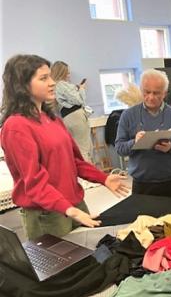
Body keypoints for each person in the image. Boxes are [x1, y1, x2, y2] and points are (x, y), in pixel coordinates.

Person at [0, 55, 129, 240]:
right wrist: (70, 210)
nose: (52, 83)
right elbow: (34, 183)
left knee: (88, 258)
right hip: (47, 213)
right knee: (63, 266)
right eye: (43, 78)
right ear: (22, 84)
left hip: (73, 204)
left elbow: (75, 161)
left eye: (51, 76)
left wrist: (103, 178)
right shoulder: (16, 126)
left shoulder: (52, 119)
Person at [115, 69, 171, 197]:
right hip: (141, 183)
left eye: (156, 93)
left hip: (169, 182)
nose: (150, 97)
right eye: (146, 92)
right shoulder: (128, 115)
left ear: (165, 93)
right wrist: (135, 142)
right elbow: (120, 149)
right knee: (142, 217)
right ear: (141, 90)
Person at [50, 61, 93, 162]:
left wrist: (76, 88)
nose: (69, 76)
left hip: (68, 117)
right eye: (67, 73)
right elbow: (79, 100)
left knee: (78, 148)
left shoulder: (56, 87)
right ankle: (89, 175)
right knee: (84, 148)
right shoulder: (61, 84)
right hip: (76, 116)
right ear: (61, 73)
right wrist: (82, 89)